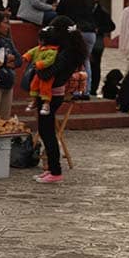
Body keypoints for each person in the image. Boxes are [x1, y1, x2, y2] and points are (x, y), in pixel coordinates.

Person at [30, 16, 87, 183]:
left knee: (47, 132)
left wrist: (38, 68)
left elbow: (51, 72)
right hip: (54, 92)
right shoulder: (68, 50)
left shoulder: (66, 53)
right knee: (45, 130)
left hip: (52, 94)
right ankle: (52, 169)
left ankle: (55, 171)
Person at [56, 0, 96, 98]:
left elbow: (60, 12)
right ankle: (86, 90)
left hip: (76, 31)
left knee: (73, 61)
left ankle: (75, 90)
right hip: (90, 33)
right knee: (86, 60)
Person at [22, 26, 60, 115]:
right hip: (38, 73)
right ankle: (34, 100)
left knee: (45, 87)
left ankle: (46, 104)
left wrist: (39, 64)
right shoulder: (39, 48)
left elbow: (49, 61)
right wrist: (25, 57)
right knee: (34, 85)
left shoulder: (52, 51)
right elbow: (31, 52)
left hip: (47, 74)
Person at [89, 0, 115, 96]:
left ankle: (93, 89)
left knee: (95, 64)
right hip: (85, 39)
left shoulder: (102, 12)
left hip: (97, 41)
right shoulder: (84, 10)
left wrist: (99, 30)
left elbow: (111, 26)